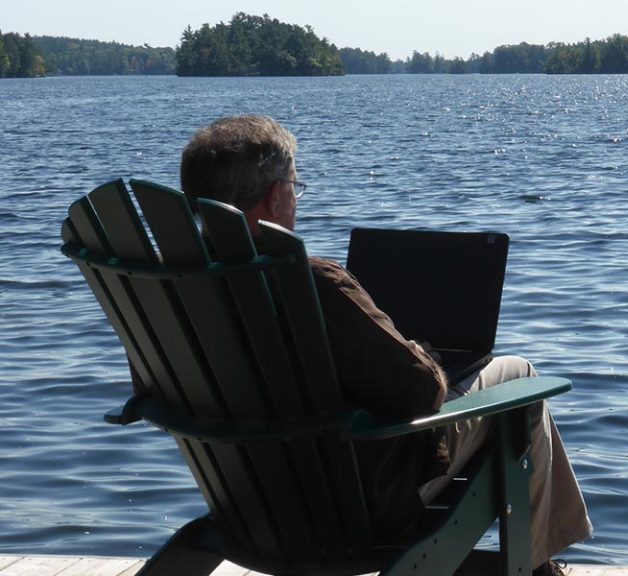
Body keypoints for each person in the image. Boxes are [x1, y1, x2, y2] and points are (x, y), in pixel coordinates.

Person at [179, 115, 592, 575]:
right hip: (365, 501)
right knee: (518, 375)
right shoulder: (313, 283)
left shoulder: (179, 288)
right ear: (276, 195)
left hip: (251, 501)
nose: (297, 196)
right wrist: (424, 354)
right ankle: (537, 565)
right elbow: (422, 392)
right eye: (296, 185)